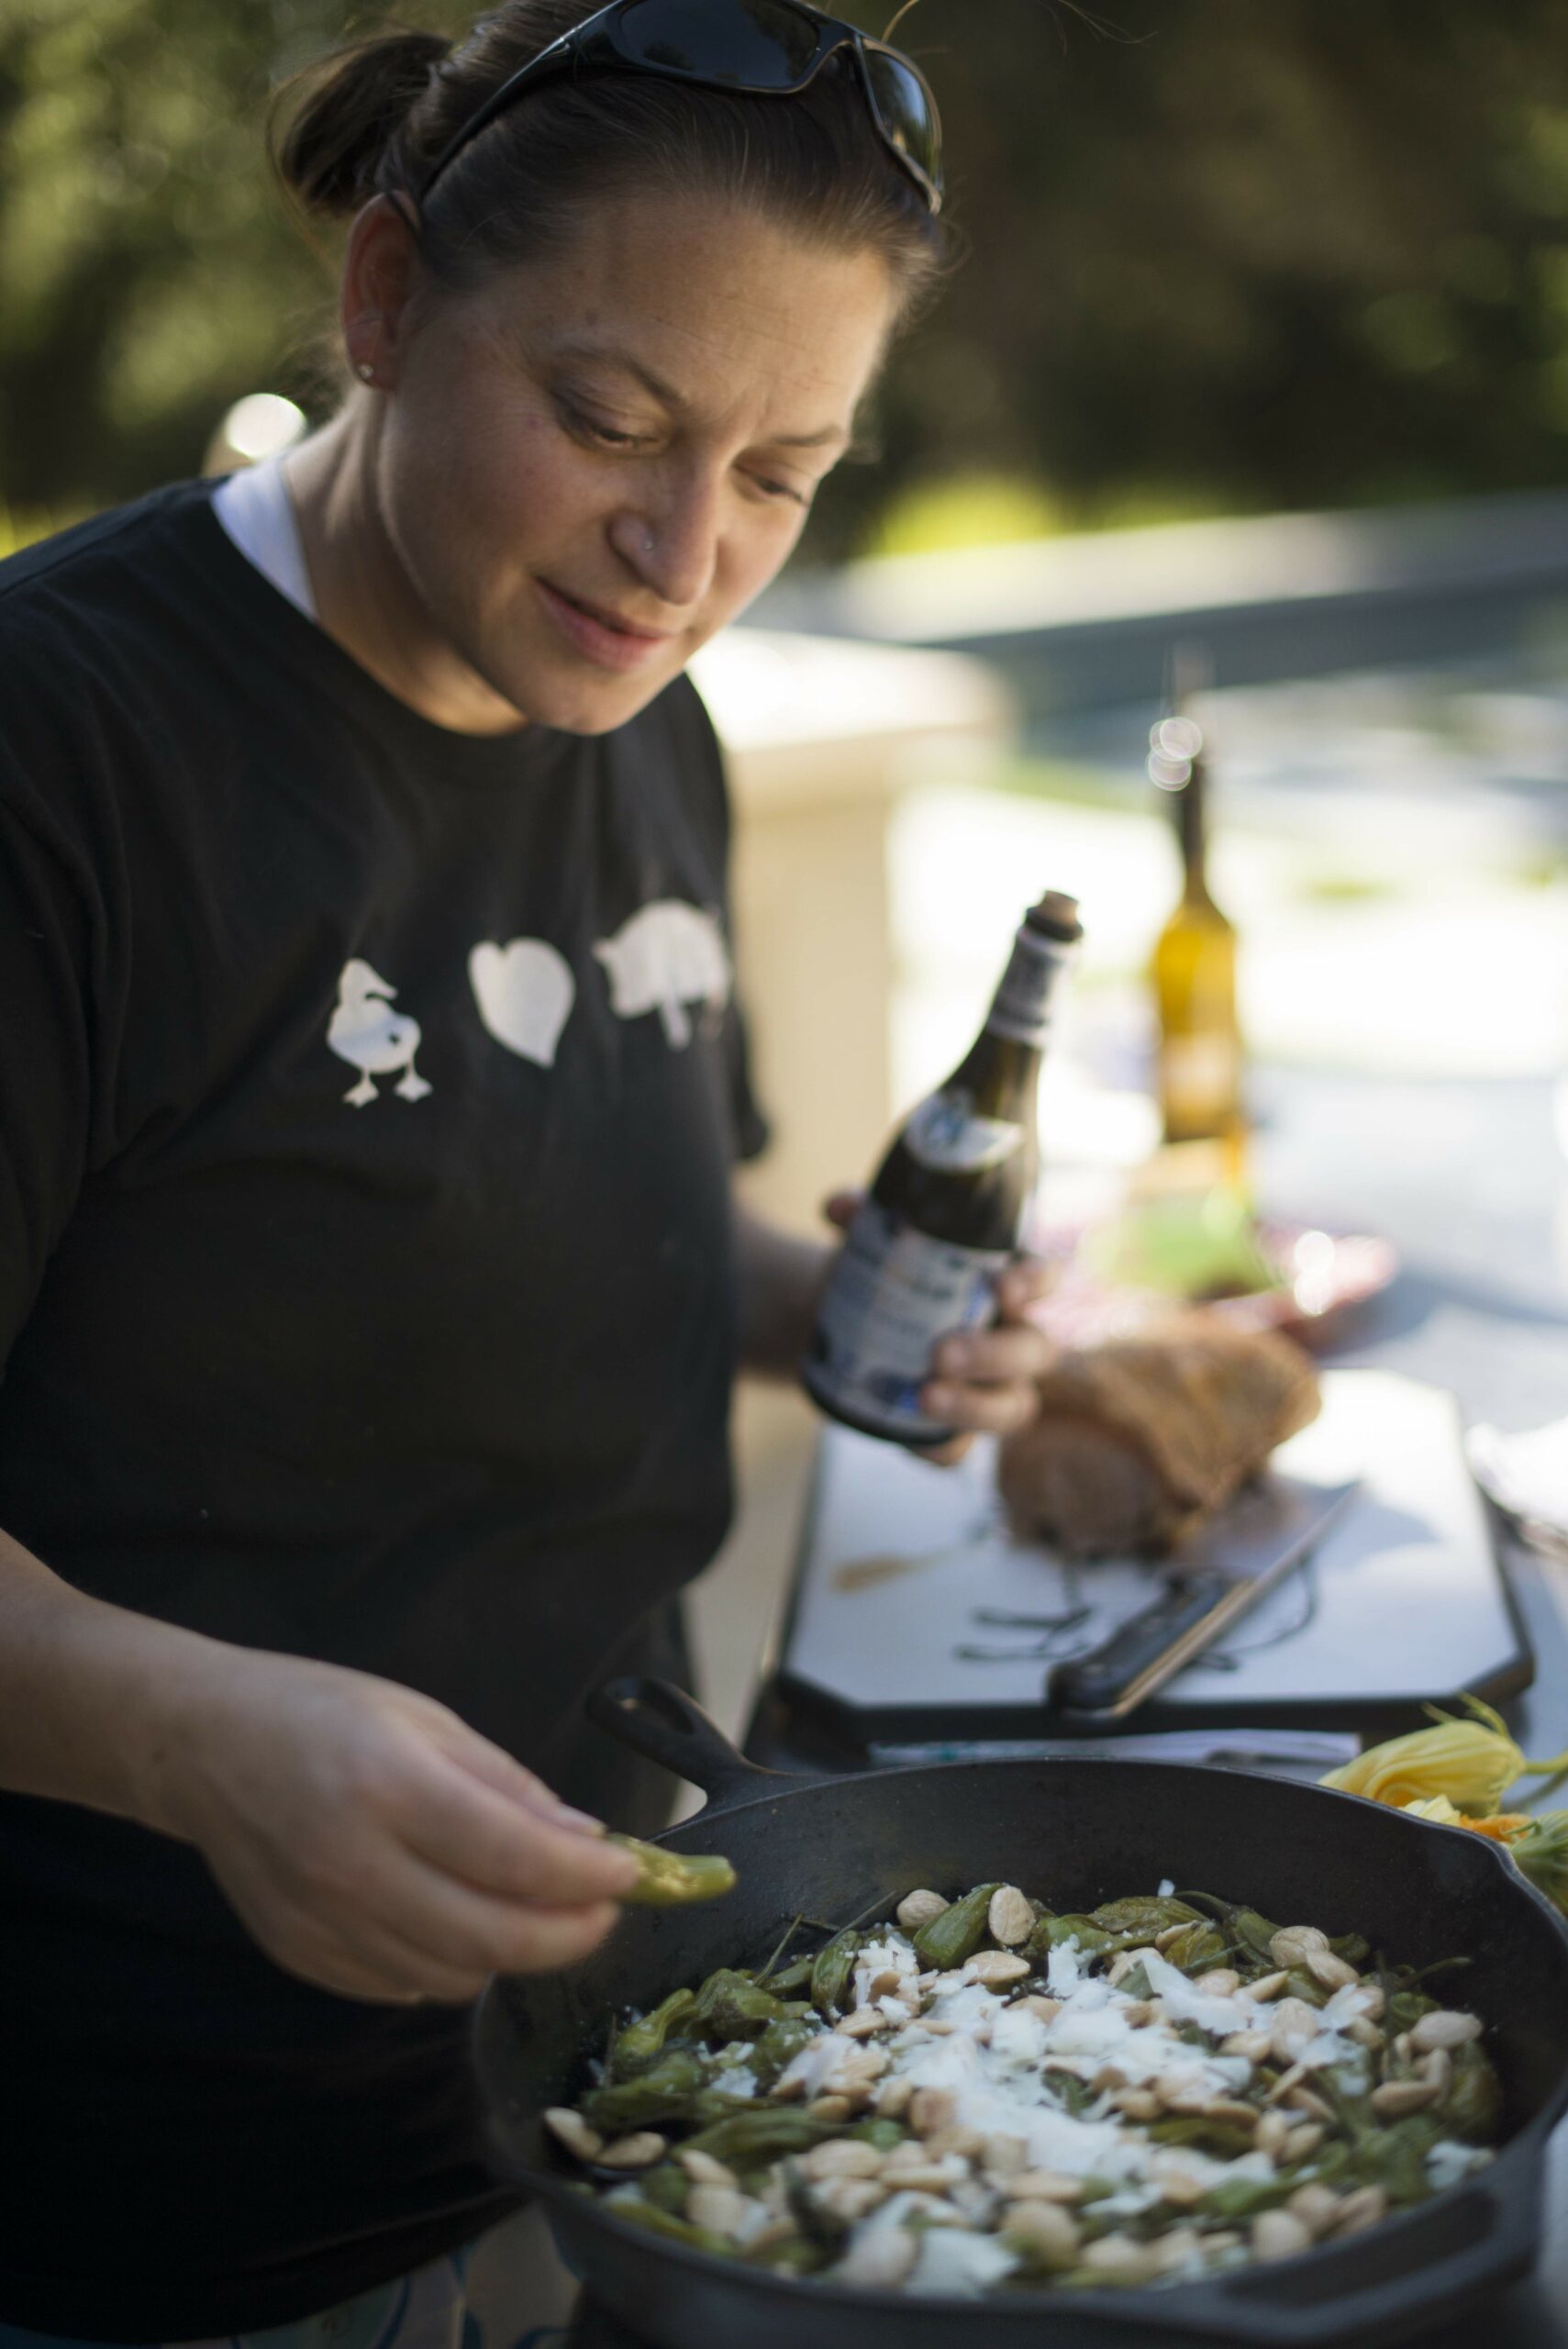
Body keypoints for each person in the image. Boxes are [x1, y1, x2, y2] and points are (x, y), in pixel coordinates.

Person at [0, 3, 1056, 2338]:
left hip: (643, 2087)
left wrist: (894, 1311)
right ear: (386, 302)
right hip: (163, 2196)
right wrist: (189, 1729)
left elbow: (632, 1211)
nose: (685, 558)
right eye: (610, 421)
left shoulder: (642, 719)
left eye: (787, 471)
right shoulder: (61, 749)